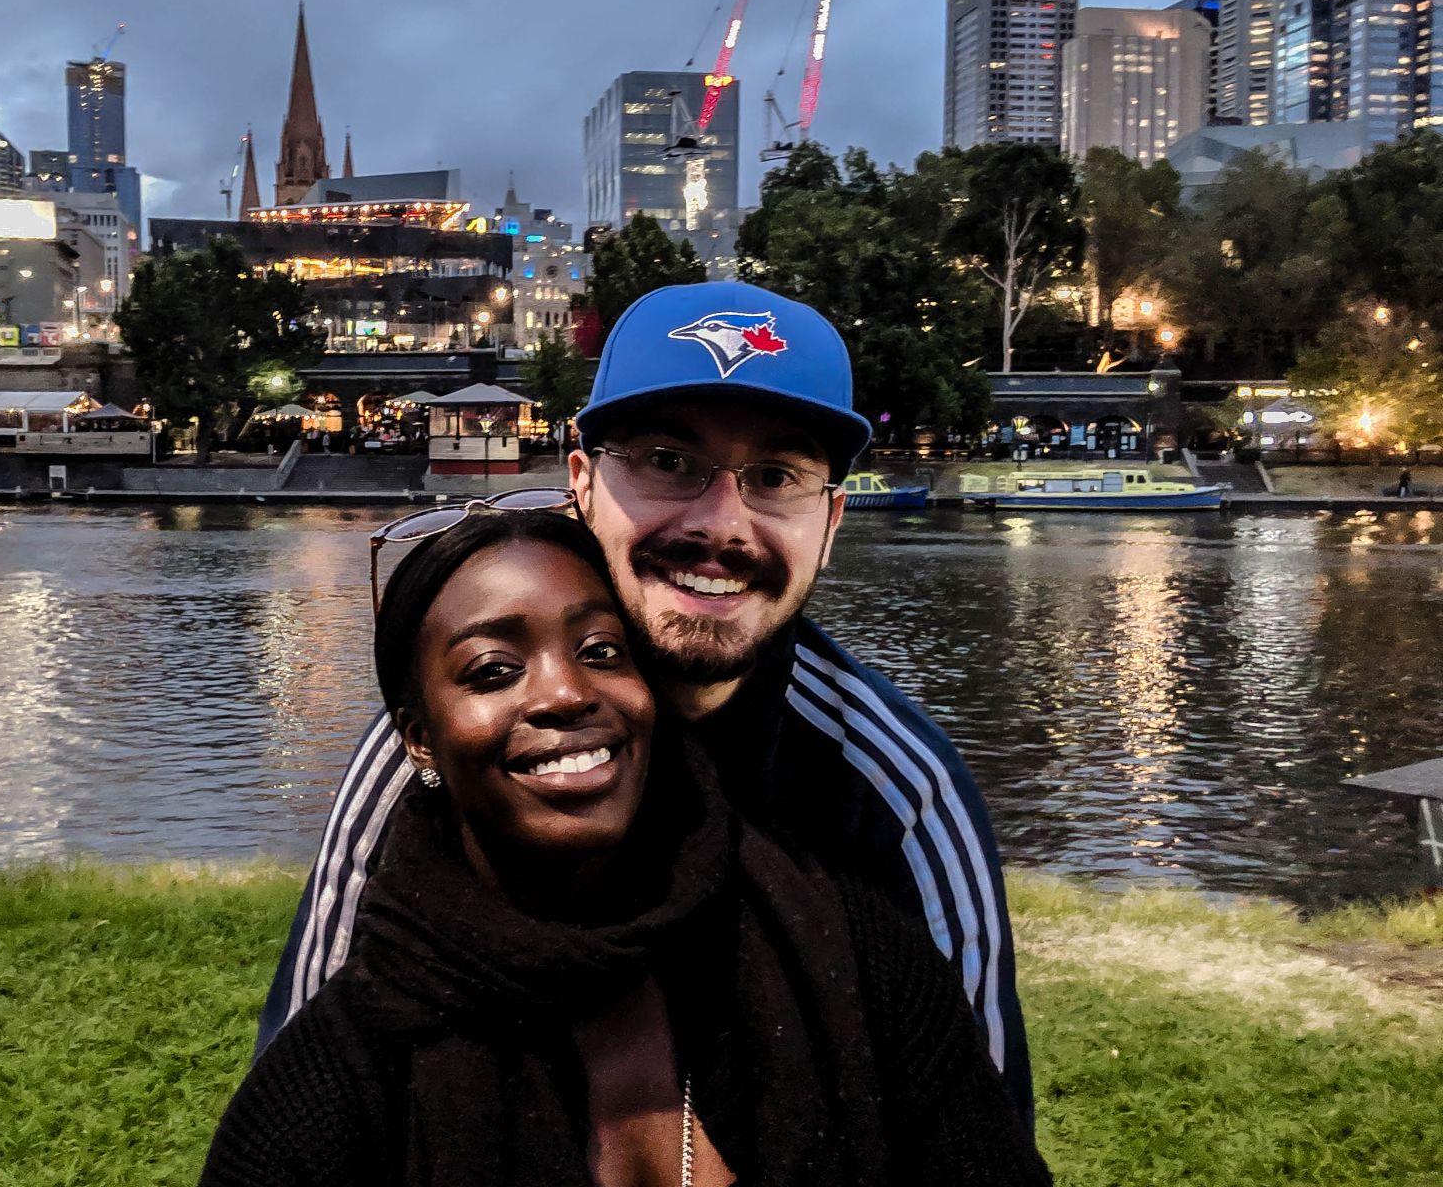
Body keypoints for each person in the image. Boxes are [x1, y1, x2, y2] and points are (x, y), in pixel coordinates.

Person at [257, 281, 1035, 1124]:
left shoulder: (899, 793)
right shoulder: (450, 743)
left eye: (776, 476)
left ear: (832, 521)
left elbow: (979, 1134)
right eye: (668, 461)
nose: (721, 526)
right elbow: (302, 1089)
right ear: (582, 484)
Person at [198, 510, 1052, 1187]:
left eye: (602, 652)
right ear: (419, 742)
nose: (566, 692)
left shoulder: (855, 958)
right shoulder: (337, 1084)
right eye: (493, 671)